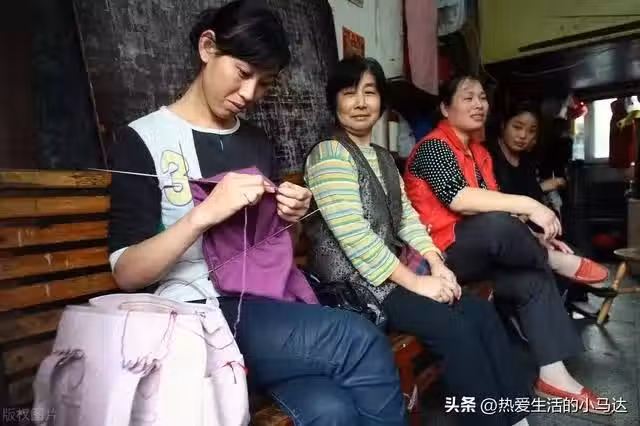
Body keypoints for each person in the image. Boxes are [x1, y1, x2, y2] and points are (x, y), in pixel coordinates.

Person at [106, 2, 407, 425]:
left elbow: (273, 249)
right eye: (243, 73)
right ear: (208, 47)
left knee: (331, 409)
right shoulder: (144, 139)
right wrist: (203, 214)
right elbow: (127, 273)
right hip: (198, 314)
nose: (249, 94)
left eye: (264, 83)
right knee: (359, 339)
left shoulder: (256, 143)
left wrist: (290, 217)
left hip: (264, 305)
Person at [304, 56, 530, 426]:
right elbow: (356, 238)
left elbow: (407, 217)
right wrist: (418, 283)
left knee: (479, 312)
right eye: (349, 93)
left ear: (381, 101)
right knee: (454, 328)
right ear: (334, 102)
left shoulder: (382, 157)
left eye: (369, 92)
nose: (360, 102)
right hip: (354, 289)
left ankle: (514, 416)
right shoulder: (329, 154)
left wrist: (437, 264)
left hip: (392, 277)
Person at [403, 75, 610, 414]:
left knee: (532, 278)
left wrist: (533, 235)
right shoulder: (432, 147)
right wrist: (530, 206)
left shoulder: (480, 154)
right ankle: (550, 259)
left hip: (479, 255)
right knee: (498, 225)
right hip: (439, 255)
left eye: (482, 98)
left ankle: (554, 376)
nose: (478, 104)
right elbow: (459, 199)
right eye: (467, 97)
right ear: (445, 108)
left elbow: (498, 208)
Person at [487, 101, 609, 288]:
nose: (523, 135)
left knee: (572, 246)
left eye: (531, 131)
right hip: (505, 230)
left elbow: (532, 195)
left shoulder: (526, 160)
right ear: (503, 125)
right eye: (517, 127)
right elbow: (492, 206)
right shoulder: (488, 157)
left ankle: (574, 292)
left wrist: (541, 233)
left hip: (528, 227)